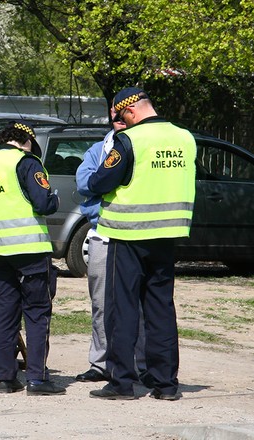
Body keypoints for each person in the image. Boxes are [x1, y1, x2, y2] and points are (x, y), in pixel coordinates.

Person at [86, 87, 196, 401]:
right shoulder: (184, 137)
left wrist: (95, 183)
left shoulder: (129, 140)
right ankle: (166, 384)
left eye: (122, 117)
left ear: (131, 110)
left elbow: (101, 181)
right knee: (161, 309)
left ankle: (121, 383)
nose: (122, 123)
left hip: (129, 234)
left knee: (122, 309)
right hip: (167, 234)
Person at [0, 121, 65, 396]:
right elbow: (43, 203)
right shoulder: (26, 162)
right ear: (27, 141)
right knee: (37, 312)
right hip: (29, 249)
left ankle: (5, 379)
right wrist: (55, 199)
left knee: (4, 313)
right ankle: (37, 379)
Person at [74, 113, 148, 384]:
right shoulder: (97, 150)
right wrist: (109, 190)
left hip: (135, 236)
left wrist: (105, 184)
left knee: (138, 304)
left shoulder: (143, 147)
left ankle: (140, 365)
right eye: (115, 111)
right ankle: (101, 363)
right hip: (103, 235)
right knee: (101, 303)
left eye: (125, 111)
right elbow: (84, 183)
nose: (119, 116)